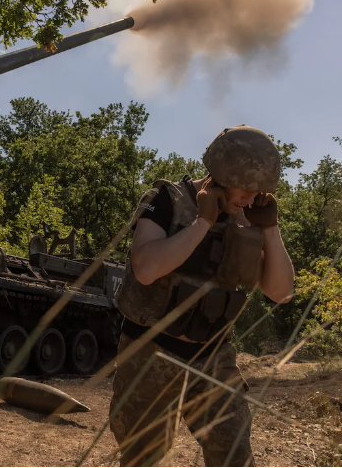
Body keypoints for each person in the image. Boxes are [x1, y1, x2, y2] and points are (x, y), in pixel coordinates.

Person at [110, 125, 295, 466]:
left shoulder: (249, 219)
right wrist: (202, 223)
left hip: (213, 358)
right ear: (224, 172)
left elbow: (281, 292)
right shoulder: (167, 200)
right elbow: (146, 268)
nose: (252, 198)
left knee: (234, 454)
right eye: (248, 188)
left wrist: (270, 228)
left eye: (260, 192)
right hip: (151, 353)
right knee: (142, 457)